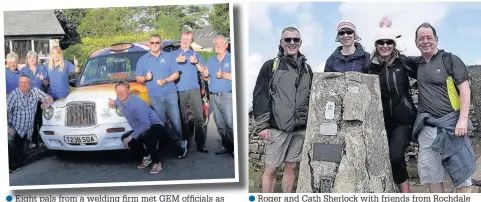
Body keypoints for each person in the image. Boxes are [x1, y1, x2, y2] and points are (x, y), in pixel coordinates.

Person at [410, 22, 476, 193]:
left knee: (462, 176)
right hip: (428, 128)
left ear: (436, 39)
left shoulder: (450, 60)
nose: (425, 41)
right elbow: (390, 55)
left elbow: (464, 89)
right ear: (416, 42)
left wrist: (462, 120)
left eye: (429, 37)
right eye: (421, 38)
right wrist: (384, 32)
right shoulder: (417, 64)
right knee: (433, 176)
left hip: (452, 127)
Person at [252, 27, 313, 193]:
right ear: (281, 42)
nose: (292, 43)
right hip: (277, 128)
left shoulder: (307, 69)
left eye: (296, 39)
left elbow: (312, 97)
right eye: (288, 39)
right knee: (271, 169)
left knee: (292, 166)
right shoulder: (271, 65)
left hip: (299, 128)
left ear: (300, 42)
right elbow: (260, 96)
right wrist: (262, 126)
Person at [366, 19, 419, 193]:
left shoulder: (403, 62)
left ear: (394, 44)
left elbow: (426, 74)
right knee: (383, 159)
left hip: (404, 119)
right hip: (381, 121)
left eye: (389, 42)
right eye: (381, 42)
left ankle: (406, 193)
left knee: (395, 156)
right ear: (376, 44)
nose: (385, 45)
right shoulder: (370, 67)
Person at [135, 34, 187, 159]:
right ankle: (162, 146)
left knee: (176, 121)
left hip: (170, 93)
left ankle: (181, 144)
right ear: (149, 44)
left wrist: (165, 80)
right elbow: (138, 78)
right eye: (152, 43)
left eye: (157, 42)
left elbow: (176, 74)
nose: (154, 45)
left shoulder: (168, 57)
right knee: (161, 124)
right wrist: (145, 78)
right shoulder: (143, 59)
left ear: (161, 44)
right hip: (154, 96)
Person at [108, 81, 167, 174]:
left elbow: (146, 125)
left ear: (129, 91)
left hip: (156, 126)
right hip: (142, 127)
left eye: (123, 91)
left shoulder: (137, 104)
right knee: (124, 138)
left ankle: (157, 162)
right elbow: (117, 101)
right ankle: (147, 157)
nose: (120, 94)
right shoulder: (120, 99)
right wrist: (113, 104)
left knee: (145, 135)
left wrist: (131, 136)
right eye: (118, 91)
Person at [7, 75, 53, 173]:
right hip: (14, 128)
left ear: (30, 84)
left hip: (26, 132)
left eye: (26, 82)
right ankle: (11, 165)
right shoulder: (13, 95)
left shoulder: (35, 91)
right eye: (21, 82)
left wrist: (46, 104)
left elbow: (49, 98)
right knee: (8, 140)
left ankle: (15, 158)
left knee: (22, 154)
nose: (23, 84)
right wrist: (7, 128)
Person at [173, 31, 208, 153]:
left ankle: (200, 145)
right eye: (184, 38)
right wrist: (176, 61)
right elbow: (167, 70)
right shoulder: (173, 55)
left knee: (199, 118)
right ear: (180, 39)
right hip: (179, 90)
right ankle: (186, 143)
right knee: (183, 119)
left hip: (194, 89)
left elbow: (203, 71)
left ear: (191, 40)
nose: (185, 41)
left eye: (188, 39)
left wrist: (196, 62)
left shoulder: (195, 54)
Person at [202, 35, 234, 157]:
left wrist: (223, 74)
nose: (217, 47)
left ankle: (235, 149)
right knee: (220, 125)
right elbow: (207, 77)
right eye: (215, 44)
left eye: (220, 44)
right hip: (214, 97)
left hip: (227, 97)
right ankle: (228, 147)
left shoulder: (232, 58)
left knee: (230, 124)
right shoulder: (210, 60)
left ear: (226, 45)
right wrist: (205, 75)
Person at [21, 51, 49, 149]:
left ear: (36, 59)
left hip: (41, 99)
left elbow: (46, 83)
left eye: (34, 58)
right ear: (27, 59)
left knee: (41, 120)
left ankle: (42, 141)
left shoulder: (42, 68)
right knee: (32, 120)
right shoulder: (24, 70)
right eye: (30, 58)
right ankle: (34, 141)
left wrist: (42, 79)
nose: (32, 60)